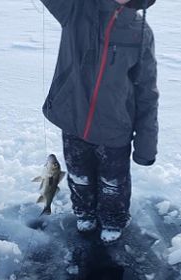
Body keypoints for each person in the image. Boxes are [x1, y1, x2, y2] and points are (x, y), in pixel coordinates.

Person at [40, 0, 159, 242]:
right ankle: (84, 213)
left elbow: (146, 92)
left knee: (114, 185)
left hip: (115, 130)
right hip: (74, 121)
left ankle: (114, 220)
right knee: (78, 177)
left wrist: (147, 145)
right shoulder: (75, 10)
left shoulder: (141, 32)